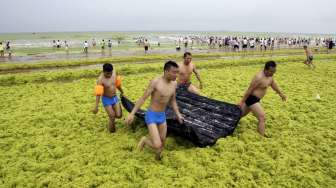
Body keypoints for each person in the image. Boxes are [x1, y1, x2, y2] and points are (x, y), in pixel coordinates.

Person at [125, 61, 184, 160]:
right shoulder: (156, 82)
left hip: (162, 115)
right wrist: (132, 113)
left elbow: (173, 100)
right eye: (174, 72)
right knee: (157, 145)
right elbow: (143, 98)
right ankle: (144, 140)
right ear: (166, 71)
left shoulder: (174, 84)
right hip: (151, 115)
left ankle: (157, 159)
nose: (177, 75)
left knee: (162, 143)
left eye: (177, 72)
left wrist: (178, 114)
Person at [239, 61, 287, 136]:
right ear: (266, 69)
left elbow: (273, 84)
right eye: (271, 71)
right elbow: (249, 90)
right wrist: (241, 102)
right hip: (252, 99)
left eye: (274, 71)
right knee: (262, 117)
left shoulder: (270, 76)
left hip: (256, 100)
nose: (272, 73)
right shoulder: (258, 77)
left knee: (240, 114)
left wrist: (281, 94)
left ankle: (226, 120)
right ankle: (261, 136)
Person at [92, 63, 124, 133]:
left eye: (110, 73)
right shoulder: (100, 80)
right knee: (112, 117)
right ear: (103, 72)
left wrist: (122, 91)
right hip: (106, 99)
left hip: (115, 97)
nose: (109, 75)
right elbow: (98, 94)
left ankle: (115, 112)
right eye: (107, 74)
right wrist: (96, 106)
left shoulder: (115, 73)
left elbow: (118, 84)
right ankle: (112, 132)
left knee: (119, 115)